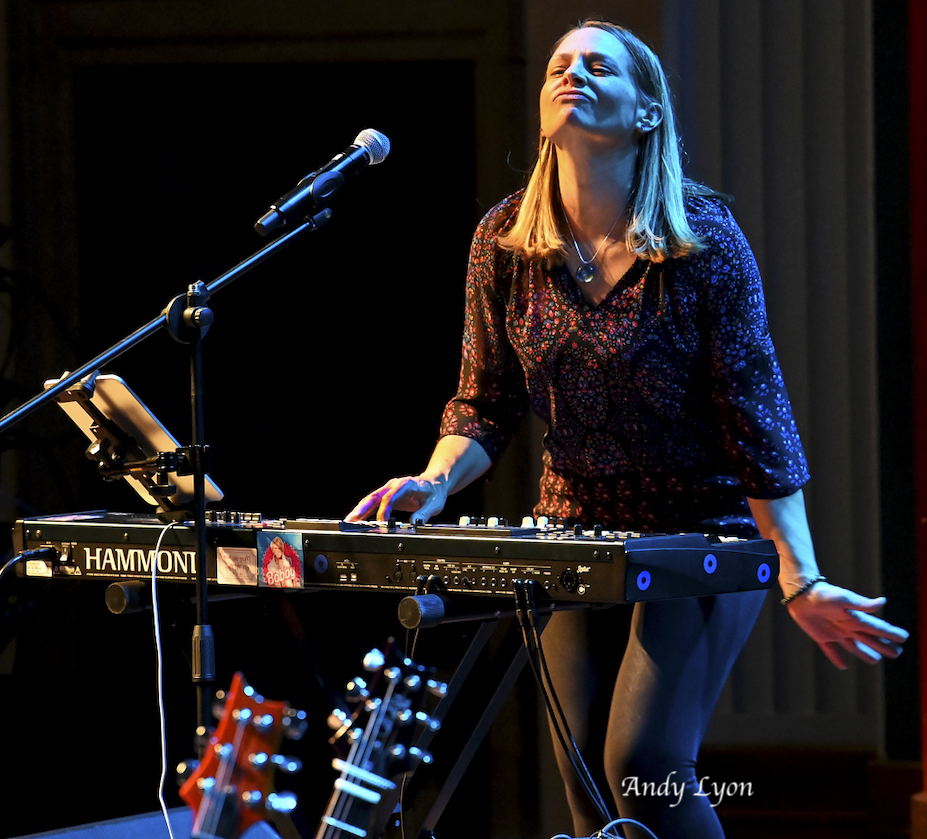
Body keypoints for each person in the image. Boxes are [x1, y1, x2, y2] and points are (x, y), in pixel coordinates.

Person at [346, 19, 908, 839]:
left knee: (642, 766)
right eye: (558, 64)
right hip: (574, 531)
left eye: (597, 66)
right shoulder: (502, 240)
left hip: (699, 533)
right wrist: (433, 481)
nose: (571, 73)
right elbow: (482, 402)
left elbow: (756, 416)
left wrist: (800, 576)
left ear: (647, 111)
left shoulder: (701, 240)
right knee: (586, 786)